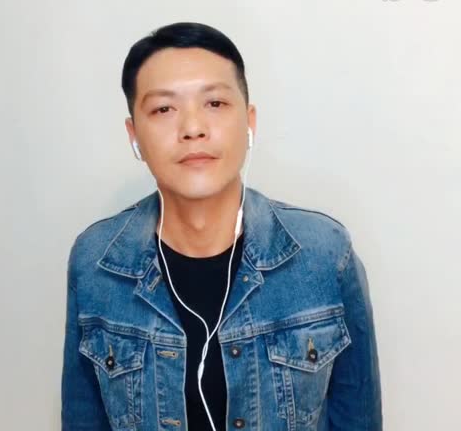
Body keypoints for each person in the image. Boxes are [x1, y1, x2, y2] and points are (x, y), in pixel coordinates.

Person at [61, 22, 383, 431]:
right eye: (164, 109)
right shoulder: (95, 262)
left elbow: (359, 418)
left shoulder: (324, 255)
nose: (193, 128)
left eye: (214, 103)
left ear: (249, 122)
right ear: (134, 134)